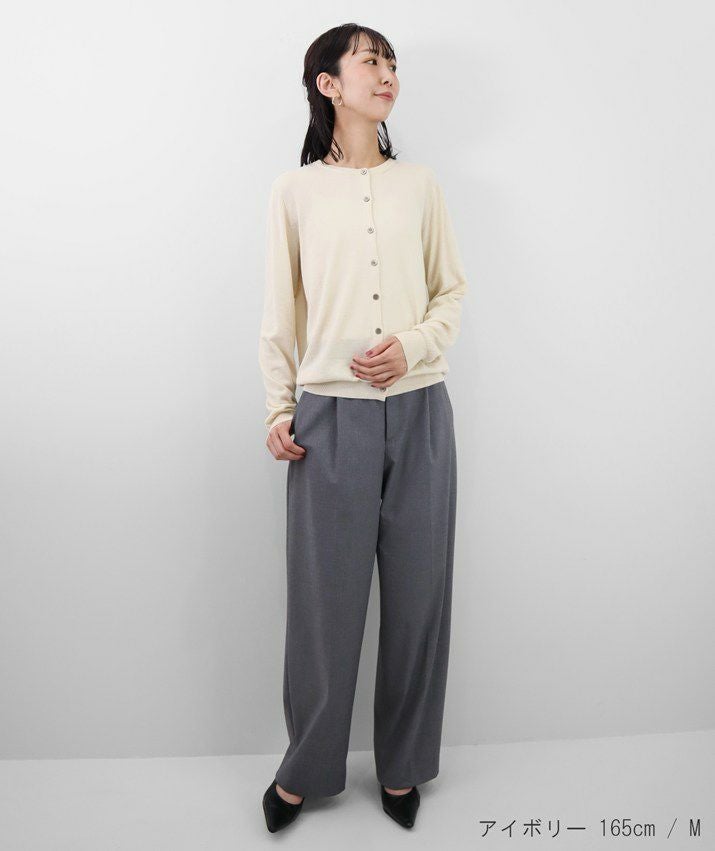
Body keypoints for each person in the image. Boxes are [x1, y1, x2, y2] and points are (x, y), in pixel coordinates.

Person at [258, 23, 468, 833]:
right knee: (324, 606)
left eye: (392, 63)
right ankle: (306, 768)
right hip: (327, 418)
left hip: (420, 413)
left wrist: (412, 345)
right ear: (328, 83)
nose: (386, 75)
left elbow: (450, 290)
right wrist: (279, 408)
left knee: (418, 599)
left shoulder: (420, 185)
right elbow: (281, 313)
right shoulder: (294, 191)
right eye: (370, 61)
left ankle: (403, 764)